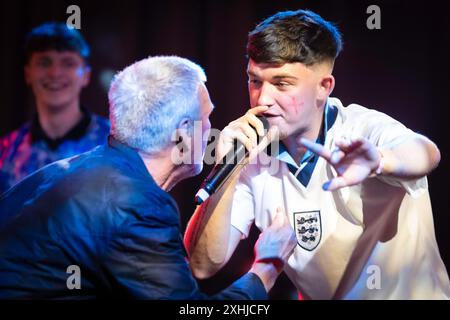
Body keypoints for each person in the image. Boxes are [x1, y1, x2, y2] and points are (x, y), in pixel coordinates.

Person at [184, 10, 450, 299]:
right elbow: (202, 265)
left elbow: (426, 153)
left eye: (282, 83)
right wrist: (228, 168)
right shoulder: (252, 157)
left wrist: (379, 161)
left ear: (323, 88)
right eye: (255, 81)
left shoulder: (361, 127)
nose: (263, 99)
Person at [0, 56, 296, 299]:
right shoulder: (137, 205)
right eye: (206, 118)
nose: (212, 128)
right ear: (183, 133)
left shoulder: (75, 171)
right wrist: (266, 268)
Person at [0, 22, 110, 194]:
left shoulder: (114, 145)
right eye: (44, 63)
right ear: (28, 74)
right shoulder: (5, 152)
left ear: (86, 75)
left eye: (68, 63)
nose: (55, 73)